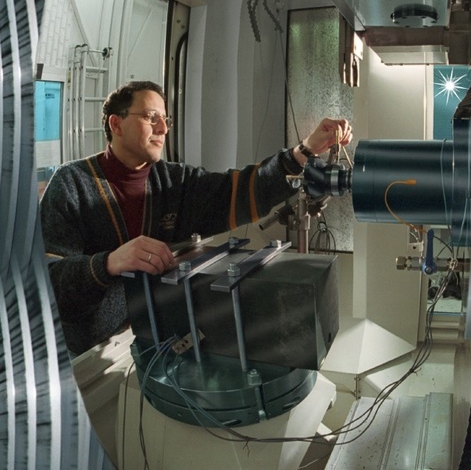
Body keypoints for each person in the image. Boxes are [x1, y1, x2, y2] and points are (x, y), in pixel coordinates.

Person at [40, 80, 352, 356]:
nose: (163, 128)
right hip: (89, 355)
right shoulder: (71, 185)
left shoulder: (176, 181)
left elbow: (240, 190)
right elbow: (48, 282)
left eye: (166, 119)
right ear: (116, 124)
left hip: (157, 341)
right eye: (151, 118)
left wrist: (304, 151)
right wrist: (108, 263)